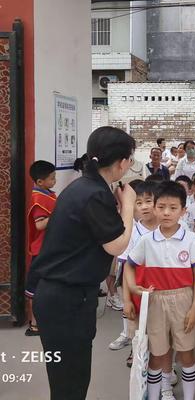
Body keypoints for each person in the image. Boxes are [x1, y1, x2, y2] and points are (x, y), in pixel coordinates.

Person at [25, 126, 137, 400]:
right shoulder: (95, 194)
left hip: (60, 296)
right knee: (70, 381)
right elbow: (117, 244)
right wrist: (130, 206)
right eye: (130, 160)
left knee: (68, 378)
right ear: (122, 162)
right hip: (67, 299)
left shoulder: (83, 187)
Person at [124, 181, 195, 400]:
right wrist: (132, 287)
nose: (166, 213)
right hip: (155, 300)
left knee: (187, 352)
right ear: (154, 208)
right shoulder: (146, 240)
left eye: (173, 207)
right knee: (157, 354)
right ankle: (155, 395)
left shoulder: (191, 239)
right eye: (161, 207)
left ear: (183, 210)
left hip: (184, 298)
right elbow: (129, 265)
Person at [108, 181, 159, 356]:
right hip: (136, 283)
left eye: (148, 201)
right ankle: (134, 347)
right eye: (139, 203)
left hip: (160, 284)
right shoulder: (132, 231)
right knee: (134, 317)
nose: (144, 207)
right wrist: (127, 299)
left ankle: (165, 362)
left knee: (158, 323)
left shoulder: (167, 229)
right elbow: (126, 264)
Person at [25, 160, 57, 336]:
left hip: (49, 247)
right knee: (34, 288)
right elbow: (39, 225)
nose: (54, 181)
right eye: (52, 178)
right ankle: (34, 324)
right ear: (39, 182)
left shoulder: (47, 194)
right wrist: (59, 214)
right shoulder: (38, 198)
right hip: (40, 250)